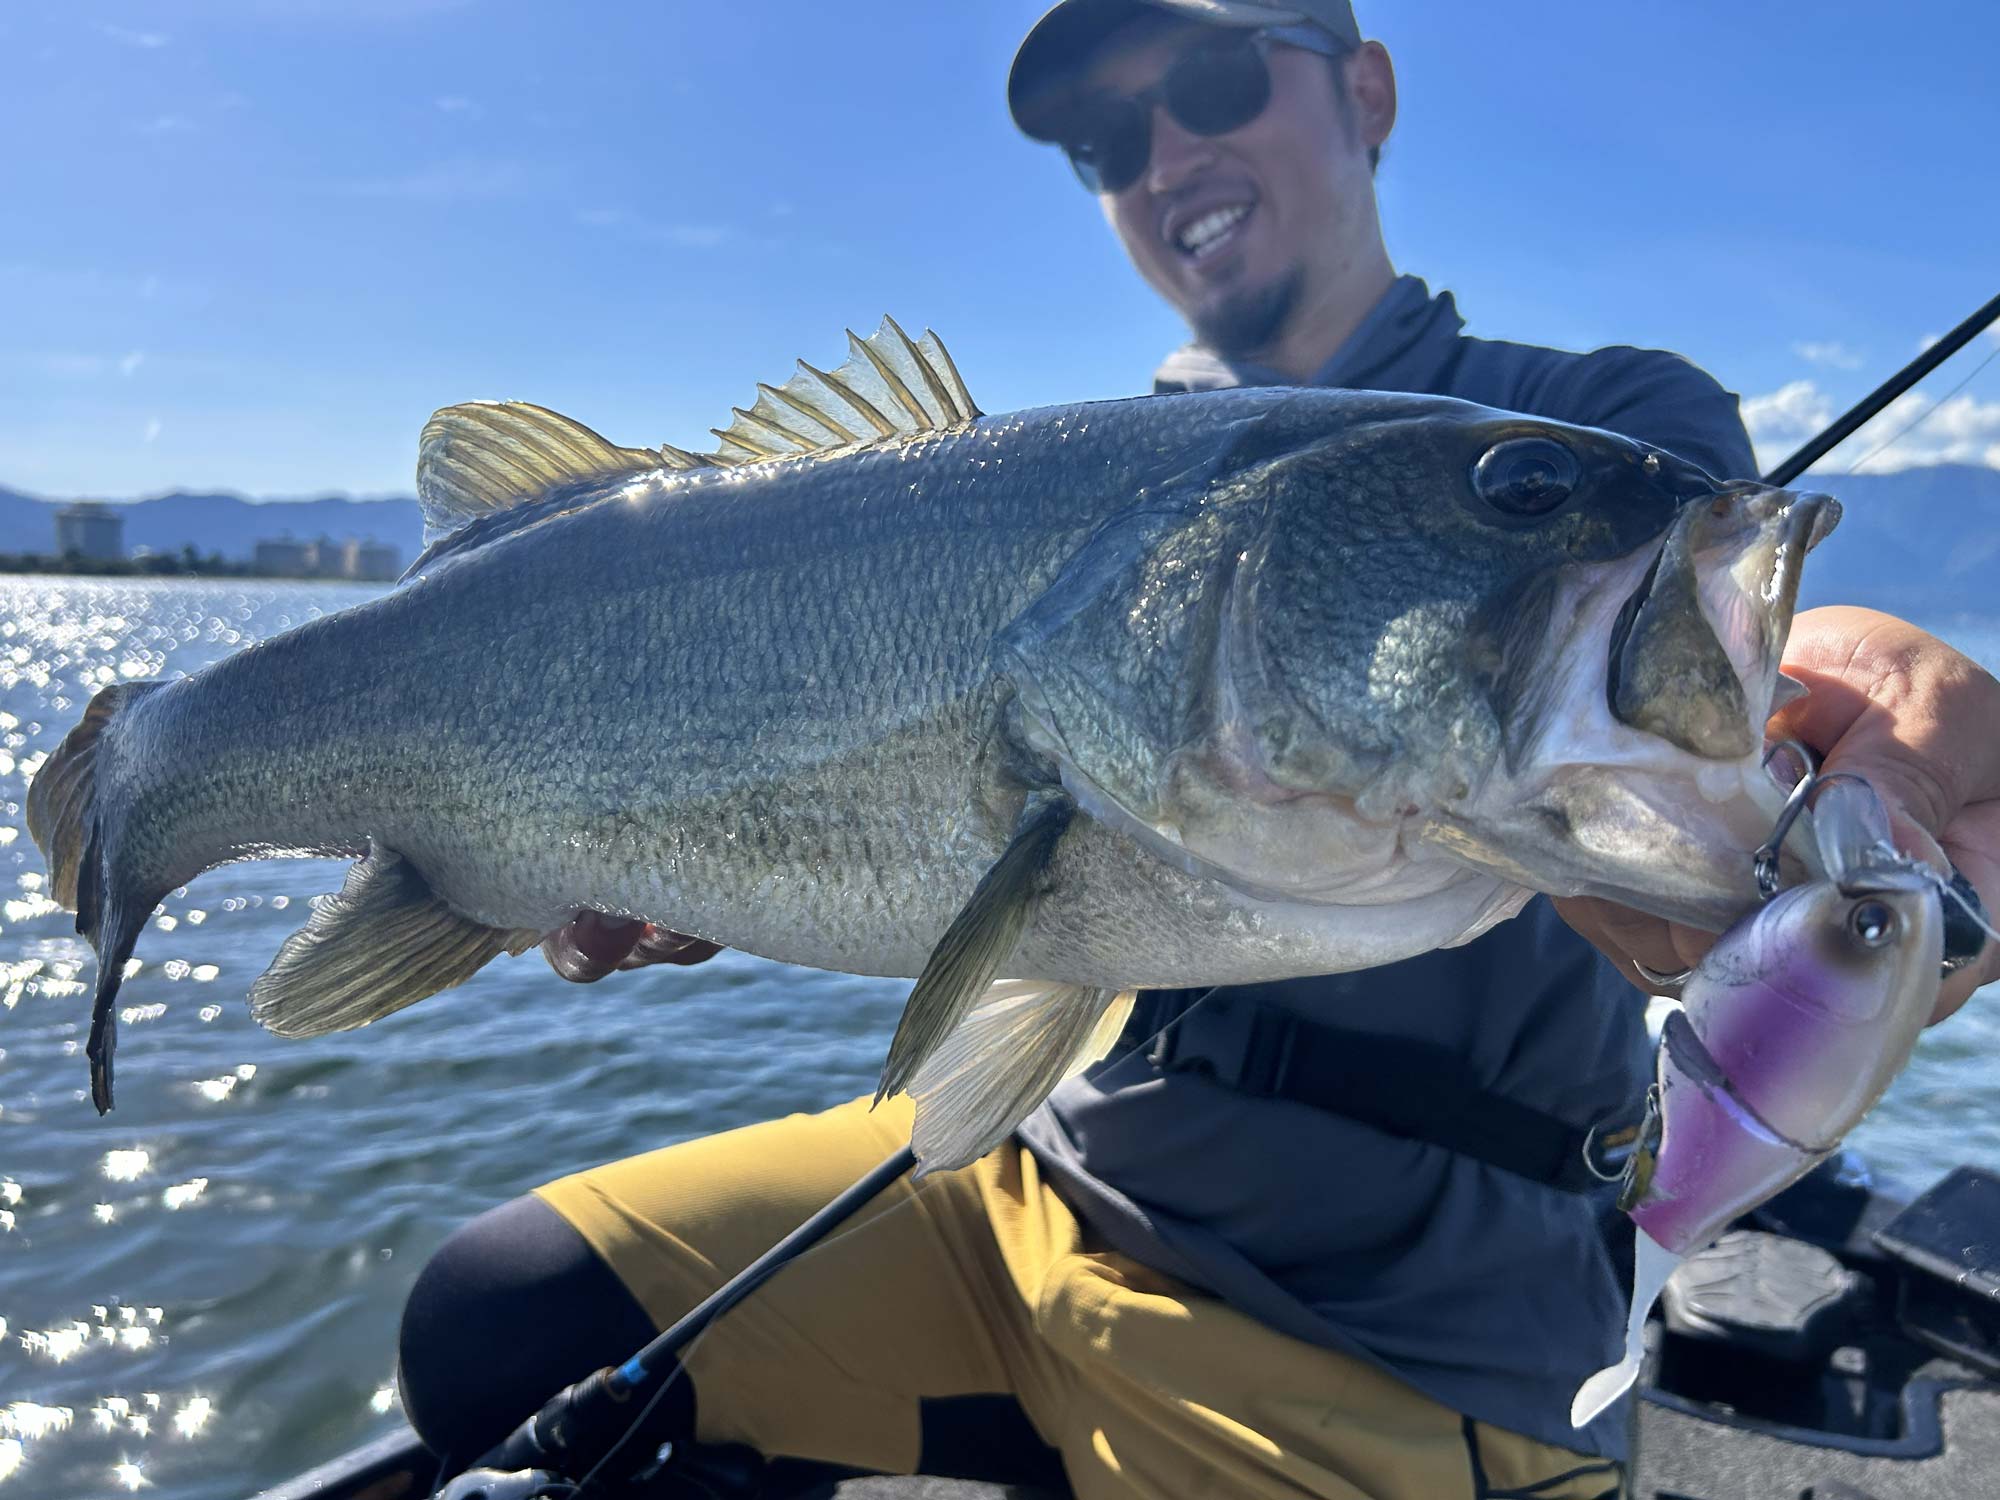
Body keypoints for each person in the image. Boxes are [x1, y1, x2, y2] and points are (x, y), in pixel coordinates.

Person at [395, 4, 2000, 1496]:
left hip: (1396, 1339)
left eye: (1219, 83)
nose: (1167, 157)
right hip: (1022, 1182)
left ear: (1366, 91)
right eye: (1106, 142)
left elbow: (1731, 696)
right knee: (497, 1312)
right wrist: (706, 856)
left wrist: (1860, 793)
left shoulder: (1586, 434)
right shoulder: (1033, 476)